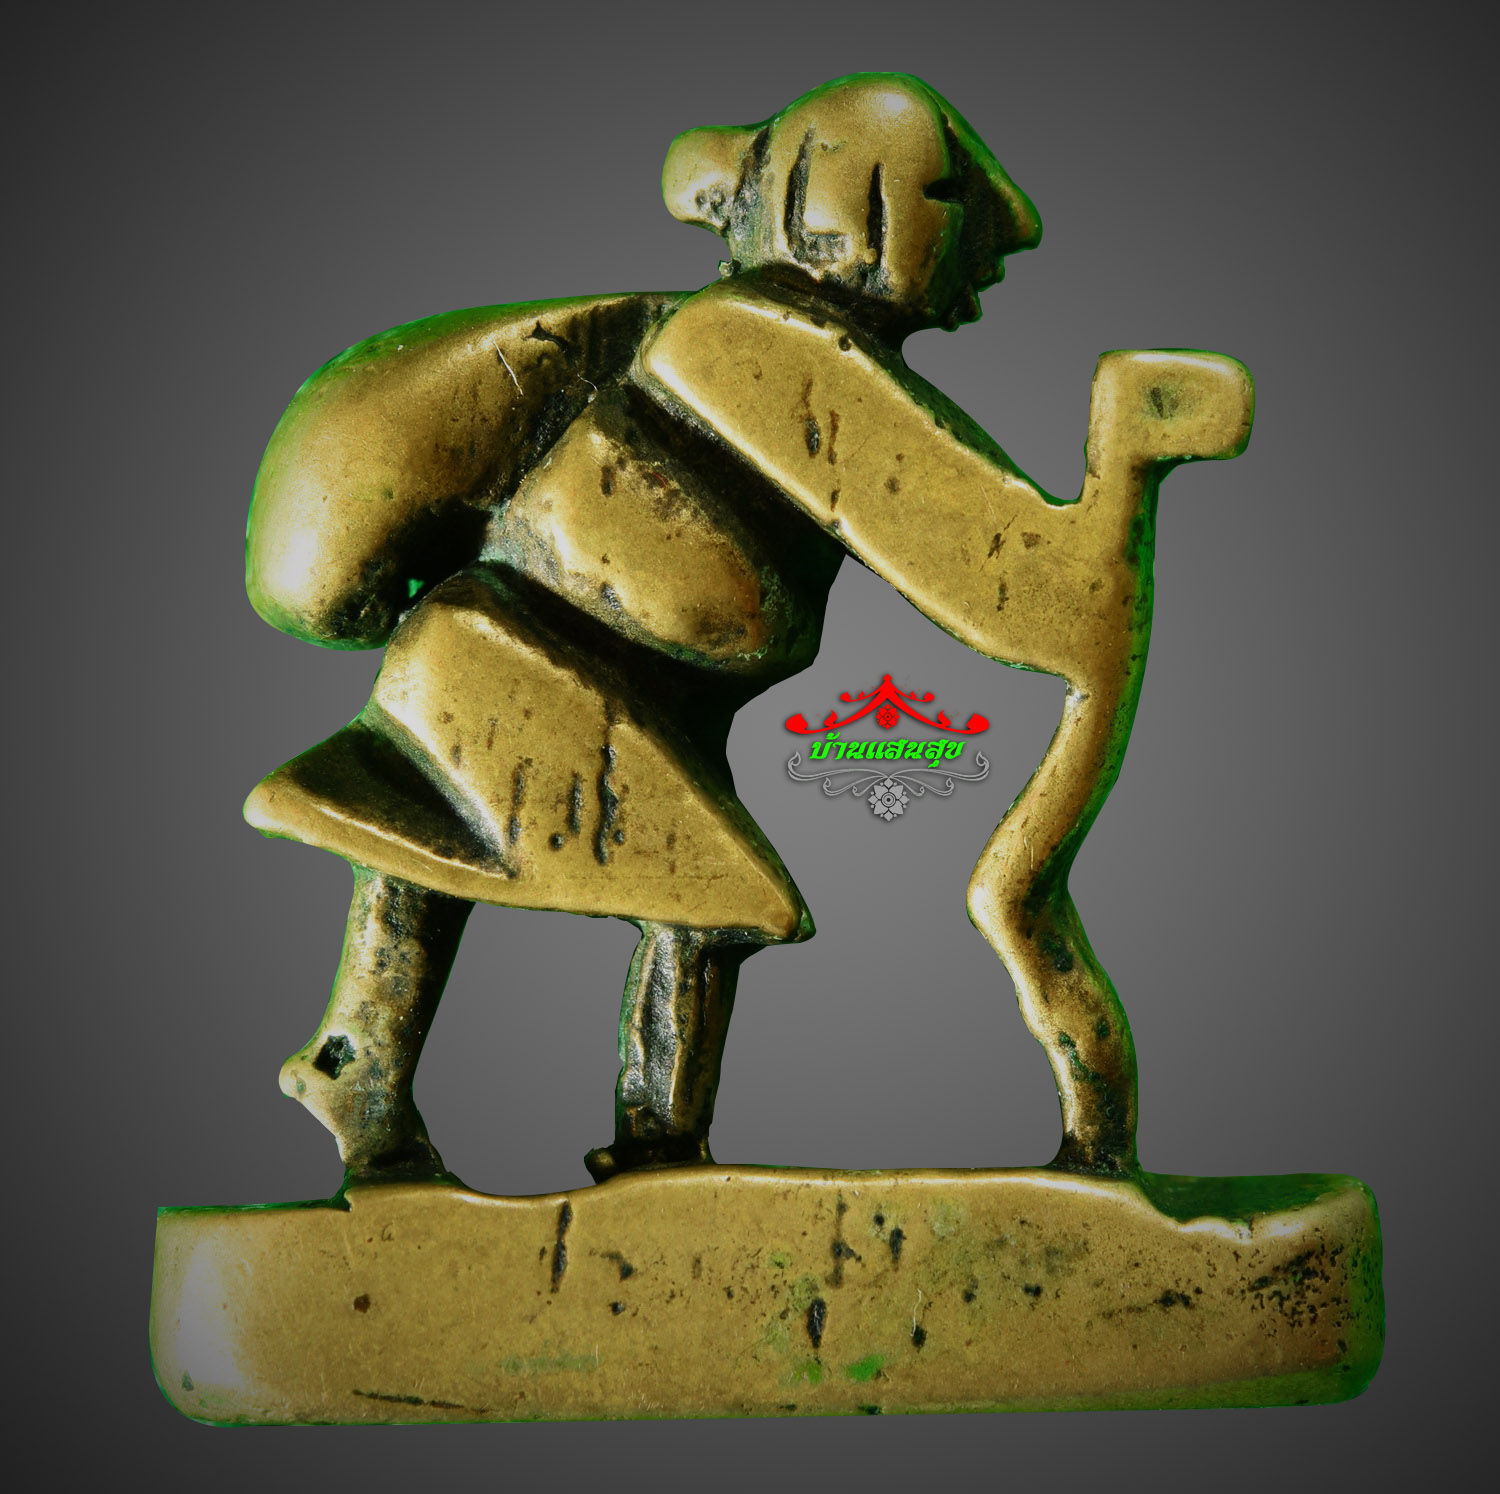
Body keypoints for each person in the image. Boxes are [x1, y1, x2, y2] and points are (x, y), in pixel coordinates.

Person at [247, 72, 1246, 1186]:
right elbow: (997, 582)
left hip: (551, 678)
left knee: (489, 853)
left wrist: (1110, 513)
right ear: (864, 211)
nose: (1010, 233)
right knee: (652, 890)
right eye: (953, 196)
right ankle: (611, 1141)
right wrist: (1126, 477)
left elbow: (995, 575)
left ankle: (422, 1079)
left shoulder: (763, 343)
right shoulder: (761, 349)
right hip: (527, 674)